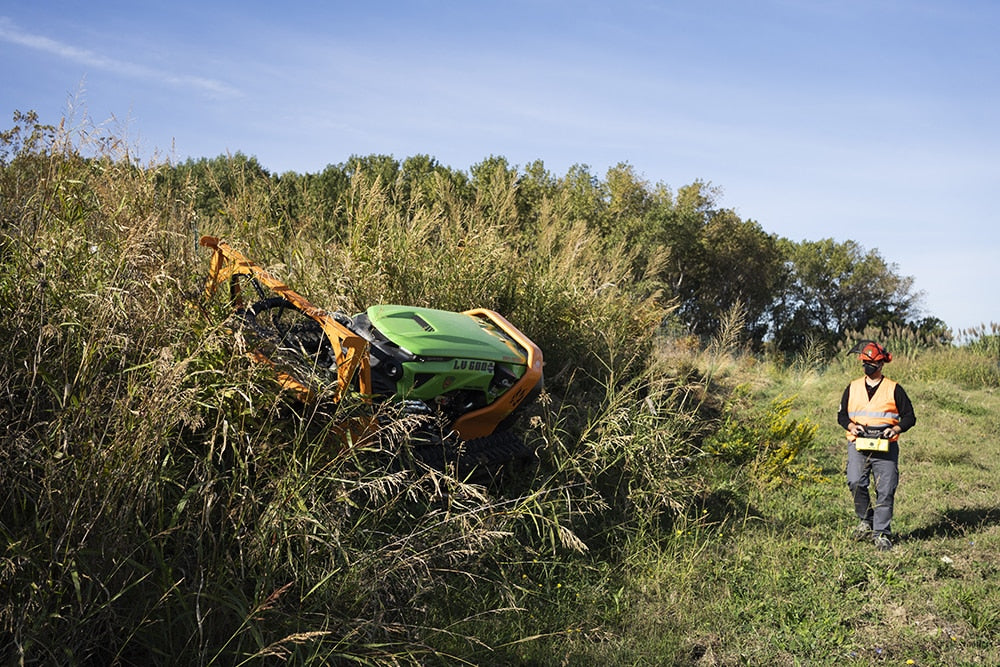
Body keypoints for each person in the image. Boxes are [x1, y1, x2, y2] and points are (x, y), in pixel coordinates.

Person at [837, 341, 916, 551]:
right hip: (858, 443)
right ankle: (866, 519)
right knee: (855, 481)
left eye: (871, 363)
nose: (867, 367)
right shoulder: (852, 387)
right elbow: (841, 415)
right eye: (864, 363)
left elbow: (910, 417)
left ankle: (881, 534)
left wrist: (896, 429)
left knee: (886, 489)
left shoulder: (894, 388)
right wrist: (850, 426)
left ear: (881, 363)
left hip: (886, 445)